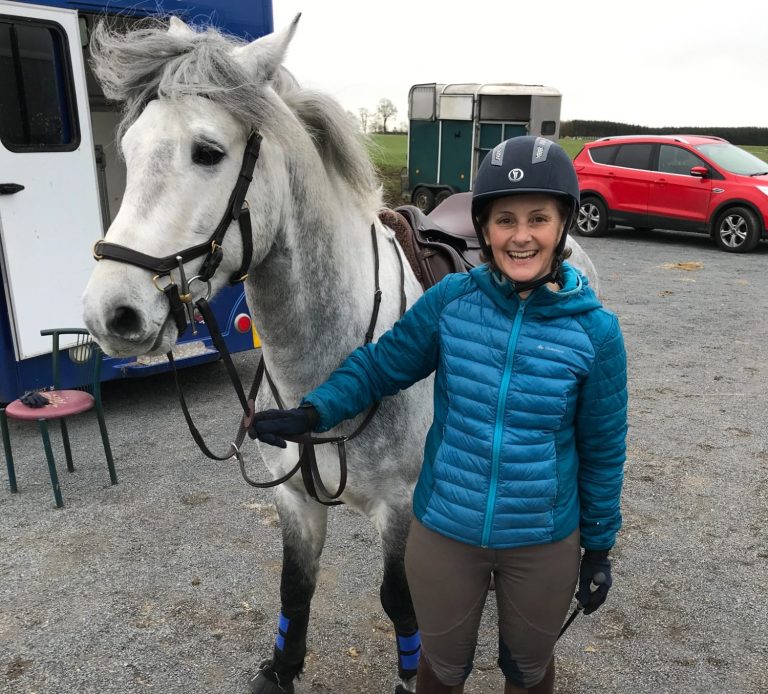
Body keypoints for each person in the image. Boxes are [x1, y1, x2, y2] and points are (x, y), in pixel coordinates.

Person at [248, 136, 628, 694]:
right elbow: (382, 365)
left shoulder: (597, 334)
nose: (521, 236)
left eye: (538, 219)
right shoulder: (451, 301)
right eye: (505, 221)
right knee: (441, 671)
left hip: (541, 537)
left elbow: (602, 452)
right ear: (485, 228)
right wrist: (314, 411)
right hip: (449, 529)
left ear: (563, 225)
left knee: (528, 670)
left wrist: (598, 546)